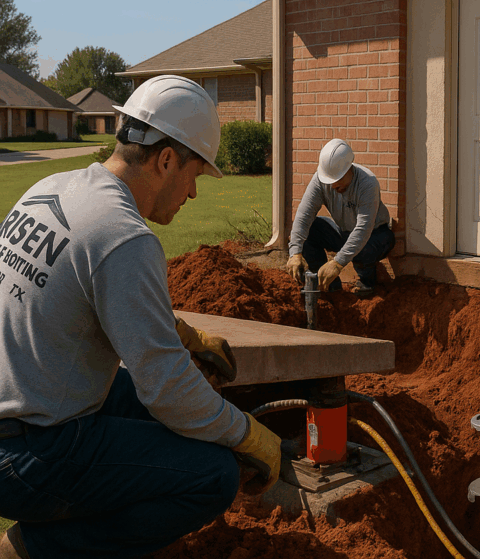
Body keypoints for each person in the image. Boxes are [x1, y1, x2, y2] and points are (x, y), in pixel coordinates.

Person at [0, 75, 281, 559]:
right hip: (26, 458)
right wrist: (248, 434)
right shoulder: (125, 236)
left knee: (142, 401)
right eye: (195, 174)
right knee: (212, 475)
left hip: (19, 409)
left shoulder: (53, 189)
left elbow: (85, 295)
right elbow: (168, 388)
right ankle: (33, 548)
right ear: (166, 159)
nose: (193, 193)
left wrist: (183, 335)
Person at [285, 138, 394, 298]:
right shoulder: (320, 180)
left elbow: (363, 229)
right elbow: (304, 215)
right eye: (329, 181)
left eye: (337, 180)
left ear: (350, 168)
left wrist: (337, 263)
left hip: (375, 235)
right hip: (343, 231)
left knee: (362, 247)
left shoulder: (367, 183)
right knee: (311, 229)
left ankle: (367, 282)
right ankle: (327, 285)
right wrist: (295, 253)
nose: (333, 186)